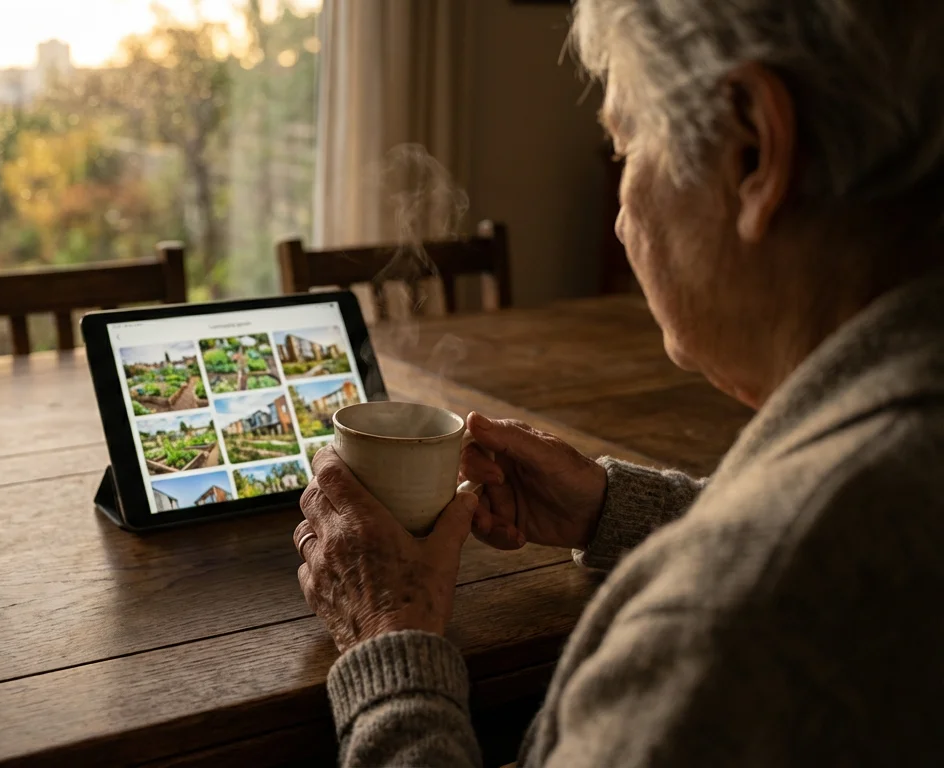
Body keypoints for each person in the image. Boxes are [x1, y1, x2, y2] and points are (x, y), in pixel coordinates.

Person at [293, 1, 944, 765]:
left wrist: (389, 639)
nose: (619, 215)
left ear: (755, 152)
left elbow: (779, 567)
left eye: (624, 142)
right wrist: (618, 511)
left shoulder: (726, 627)